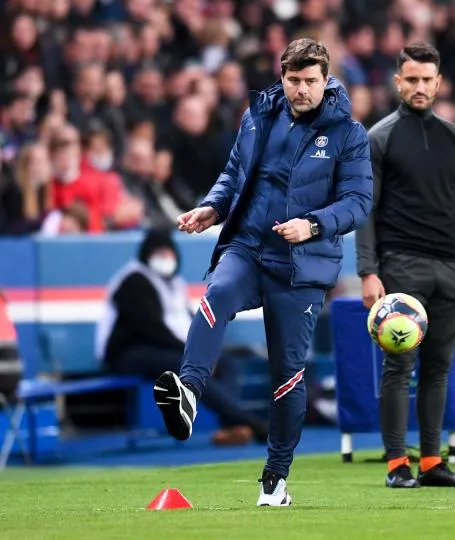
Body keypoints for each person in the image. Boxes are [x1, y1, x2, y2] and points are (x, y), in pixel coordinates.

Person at [152, 38, 373, 507]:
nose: (301, 89)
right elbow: (235, 172)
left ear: (326, 80)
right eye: (293, 80)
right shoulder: (258, 116)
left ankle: (275, 478)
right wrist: (213, 207)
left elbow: (358, 202)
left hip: (301, 265)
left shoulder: (348, 133)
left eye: (310, 81)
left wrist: (313, 224)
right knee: (216, 295)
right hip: (248, 246)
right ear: (282, 76)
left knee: (287, 375)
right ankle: (189, 392)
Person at [355, 42, 455, 489]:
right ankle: (397, 464)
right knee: (400, 367)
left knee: (438, 369)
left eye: (426, 80)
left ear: (439, 83)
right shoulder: (379, 137)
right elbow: (366, 208)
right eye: (411, 79)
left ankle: (432, 463)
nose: (419, 87)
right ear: (398, 82)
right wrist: (368, 270)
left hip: (452, 268)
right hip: (402, 266)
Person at [95, 228, 270, 446]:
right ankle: (252, 423)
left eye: (168, 252)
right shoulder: (134, 280)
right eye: (159, 252)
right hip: (127, 353)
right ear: (147, 253)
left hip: (164, 350)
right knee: (194, 368)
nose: (165, 257)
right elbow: (151, 331)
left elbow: (190, 323)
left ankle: (231, 427)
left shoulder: (174, 283)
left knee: (227, 363)